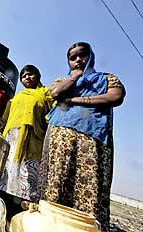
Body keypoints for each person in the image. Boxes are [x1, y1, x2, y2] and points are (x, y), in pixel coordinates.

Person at [38, 42, 125, 231]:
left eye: (82, 55)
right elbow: (55, 93)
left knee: (89, 188)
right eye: (73, 57)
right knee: (56, 182)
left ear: (91, 56)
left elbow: (115, 96)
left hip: (92, 140)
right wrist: (74, 77)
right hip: (60, 138)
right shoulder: (63, 80)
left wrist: (75, 100)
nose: (78, 60)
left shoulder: (107, 78)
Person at [0, 65, 53, 220]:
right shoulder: (15, 98)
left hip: (32, 142)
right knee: (7, 175)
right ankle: (2, 210)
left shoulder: (45, 94)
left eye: (31, 74)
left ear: (38, 76)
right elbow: (5, 120)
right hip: (11, 140)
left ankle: (20, 216)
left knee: (27, 179)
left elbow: (51, 117)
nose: (27, 77)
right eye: (24, 75)